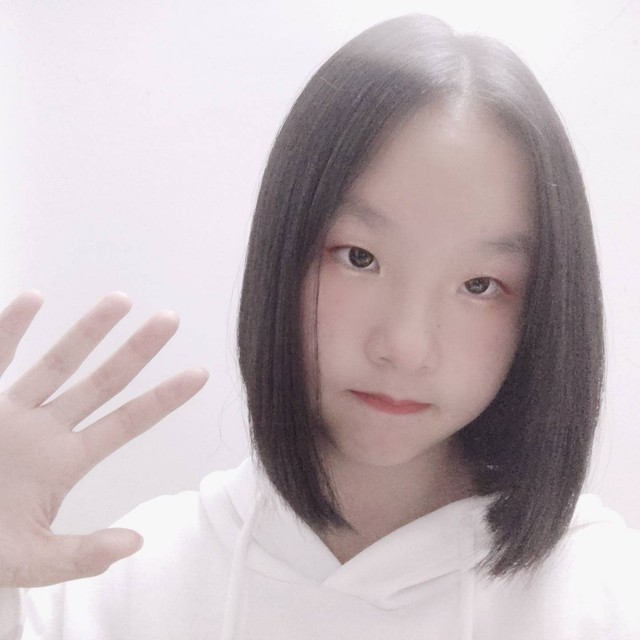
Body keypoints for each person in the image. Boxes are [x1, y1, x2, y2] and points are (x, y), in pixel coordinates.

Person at [1, 13, 639, 639]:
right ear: (282, 252)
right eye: (358, 257)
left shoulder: (607, 596)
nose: (405, 346)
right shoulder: (124, 583)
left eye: (479, 285)